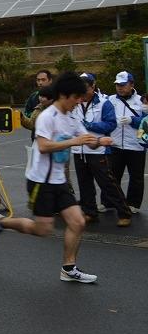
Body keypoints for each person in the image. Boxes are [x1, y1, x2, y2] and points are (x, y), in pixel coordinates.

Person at [0, 71, 110, 283]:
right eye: (76, 97)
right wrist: (73, 142)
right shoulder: (47, 117)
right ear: (64, 95)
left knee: (78, 222)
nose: (79, 101)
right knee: (43, 229)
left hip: (59, 181)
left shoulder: (71, 117)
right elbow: (43, 147)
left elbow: (85, 139)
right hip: (40, 182)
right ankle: (0, 223)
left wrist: (100, 142)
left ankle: (68, 269)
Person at [72, 73, 130, 226]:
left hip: (98, 151)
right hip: (79, 150)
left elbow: (111, 124)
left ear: (93, 86)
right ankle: (89, 212)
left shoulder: (104, 103)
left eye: (85, 90)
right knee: (84, 184)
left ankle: (124, 213)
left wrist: (89, 125)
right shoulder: (74, 102)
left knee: (108, 184)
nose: (83, 94)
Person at [106, 71, 143, 219]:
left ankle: (133, 203)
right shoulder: (110, 100)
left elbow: (146, 122)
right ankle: (109, 201)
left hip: (136, 145)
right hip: (115, 144)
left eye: (123, 85)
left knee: (136, 177)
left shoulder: (142, 101)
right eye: (117, 85)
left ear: (132, 84)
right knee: (112, 176)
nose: (120, 88)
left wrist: (132, 120)